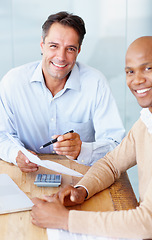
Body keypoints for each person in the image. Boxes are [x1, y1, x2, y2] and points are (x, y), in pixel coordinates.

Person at [31, 36, 152, 239]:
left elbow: (148, 223)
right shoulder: (149, 120)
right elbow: (112, 163)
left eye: (148, 69)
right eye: (130, 71)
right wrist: (81, 190)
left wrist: (65, 220)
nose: (137, 80)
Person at [0, 11, 125, 173]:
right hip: (28, 173)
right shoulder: (14, 82)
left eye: (70, 49)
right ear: (42, 45)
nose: (61, 57)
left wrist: (82, 149)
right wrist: (15, 154)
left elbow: (116, 144)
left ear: (79, 51)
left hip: (81, 175)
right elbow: (2, 135)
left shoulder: (95, 83)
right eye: (54, 46)